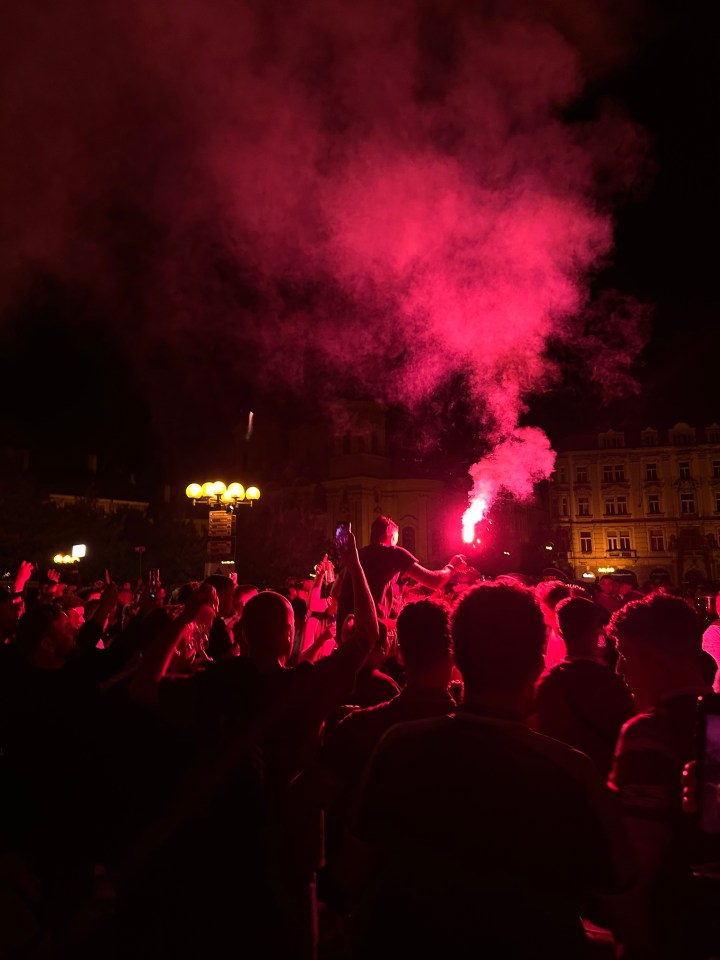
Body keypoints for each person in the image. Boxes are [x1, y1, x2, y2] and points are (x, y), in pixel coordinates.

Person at [343, 581, 631, 959]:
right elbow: (623, 895)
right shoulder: (572, 772)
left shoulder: (399, 746)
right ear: (540, 663)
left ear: (457, 661)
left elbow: (350, 869)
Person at [608, 594, 717, 958]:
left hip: (672, 925)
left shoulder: (647, 733)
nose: (621, 671)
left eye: (625, 656)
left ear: (651, 657)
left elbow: (638, 860)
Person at [533, 595, 635, 779]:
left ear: (561, 631)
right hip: (602, 777)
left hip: (561, 778)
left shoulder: (547, 683)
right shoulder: (610, 683)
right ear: (594, 627)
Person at [335, 515, 466, 633]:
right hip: (367, 634)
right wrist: (452, 566)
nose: (395, 544)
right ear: (389, 535)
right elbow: (434, 581)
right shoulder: (392, 552)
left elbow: (335, 592)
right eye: (395, 539)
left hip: (344, 633)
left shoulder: (356, 555)